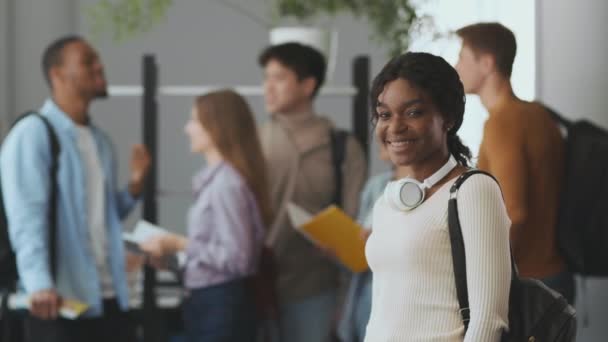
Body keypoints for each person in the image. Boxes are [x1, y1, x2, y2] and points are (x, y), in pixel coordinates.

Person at [0, 35, 150, 342]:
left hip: (108, 297)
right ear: (57, 75)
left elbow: (101, 217)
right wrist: (39, 284)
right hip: (59, 302)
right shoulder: (33, 134)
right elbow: (27, 217)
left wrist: (135, 186)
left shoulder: (101, 143)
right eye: (87, 61)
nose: (100, 66)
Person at [364, 52, 512, 341]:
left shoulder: (473, 190)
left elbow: (489, 321)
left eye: (413, 112)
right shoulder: (389, 200)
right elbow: (381, 312)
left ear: (448, 117)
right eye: (384, 114)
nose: (394, 127)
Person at [454, 23, 573, 303]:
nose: (456, 65)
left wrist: (487, 277)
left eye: (462, 57)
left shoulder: (503, 122)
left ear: (486, 63)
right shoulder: (539, 114)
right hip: (554, 274)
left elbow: (515, 212)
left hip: (526, 281)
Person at [257, 42, 367, 342]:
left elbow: (352, 223)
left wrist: (344, 298)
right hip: (257, 285)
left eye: (278, 78)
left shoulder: (342, 147)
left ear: (308, 85)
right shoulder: (252, 142)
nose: (268, 87)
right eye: (266, 78)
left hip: (315, 289)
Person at [140, 89, 270, 342]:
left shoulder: (227, 185)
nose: (187, 129)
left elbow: (238, 259)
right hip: (208, 301)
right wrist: (170, 259)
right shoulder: (218, 182)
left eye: (195, 121)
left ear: (216, 127)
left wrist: (180, 243)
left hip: (221, 304)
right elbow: (213, 258)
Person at [337, 144, 408, 342]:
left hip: (400, 307)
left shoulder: (432, 190)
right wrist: (338, 248)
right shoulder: (376, 186)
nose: (386, 129)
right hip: (366, 304)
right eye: (383, 116)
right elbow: (359, 248)